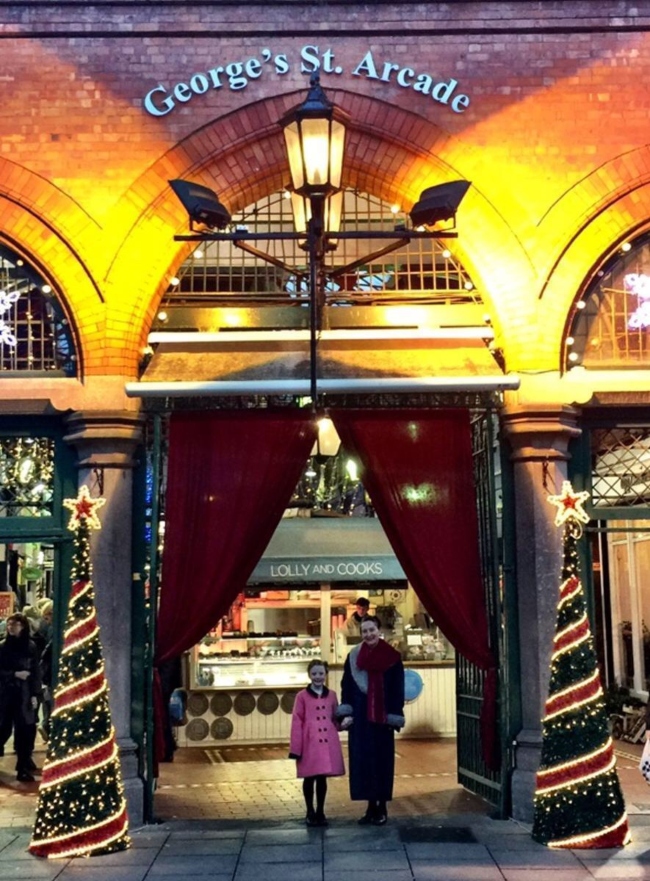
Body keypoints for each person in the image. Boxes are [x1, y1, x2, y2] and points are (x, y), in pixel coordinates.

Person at [338, 615, 405, 826]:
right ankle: (369, 807)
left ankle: (382, 808)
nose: (368, 634)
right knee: (363, 763)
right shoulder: (353, 656)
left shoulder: (392, 657)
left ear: (379, 630)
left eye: (371, 630)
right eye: (364, 631)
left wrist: (395, 714)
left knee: (382, 763)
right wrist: (346, 712)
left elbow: (397, 689)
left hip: (382, 719)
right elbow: (346, 685)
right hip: (360, 718)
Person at [289, 659, 349, 826]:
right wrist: (295, 748)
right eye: (314, 673)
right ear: (309, 674)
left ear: (326, 674)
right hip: (310, 743)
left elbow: (334, 719)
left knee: (322, 779)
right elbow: (296, 721)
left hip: (327, 743)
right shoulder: (301, 696)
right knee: (309, 778)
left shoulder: (332, 695)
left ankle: (321, 811)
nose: (318, 677)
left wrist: (343, 724)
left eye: (321, 673)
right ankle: (309, 811)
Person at [0, 613, 42, 781]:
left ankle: (23, 766)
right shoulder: (3, 647)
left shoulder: (30, 646)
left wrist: (36, 694)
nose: (11, 628)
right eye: (9, 624)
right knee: (3, 729)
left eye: (15, 625)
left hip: (24, 695)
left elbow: (35, 672)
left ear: (22, 626)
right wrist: (15, 674)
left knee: (25, 730)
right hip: (5, 695)